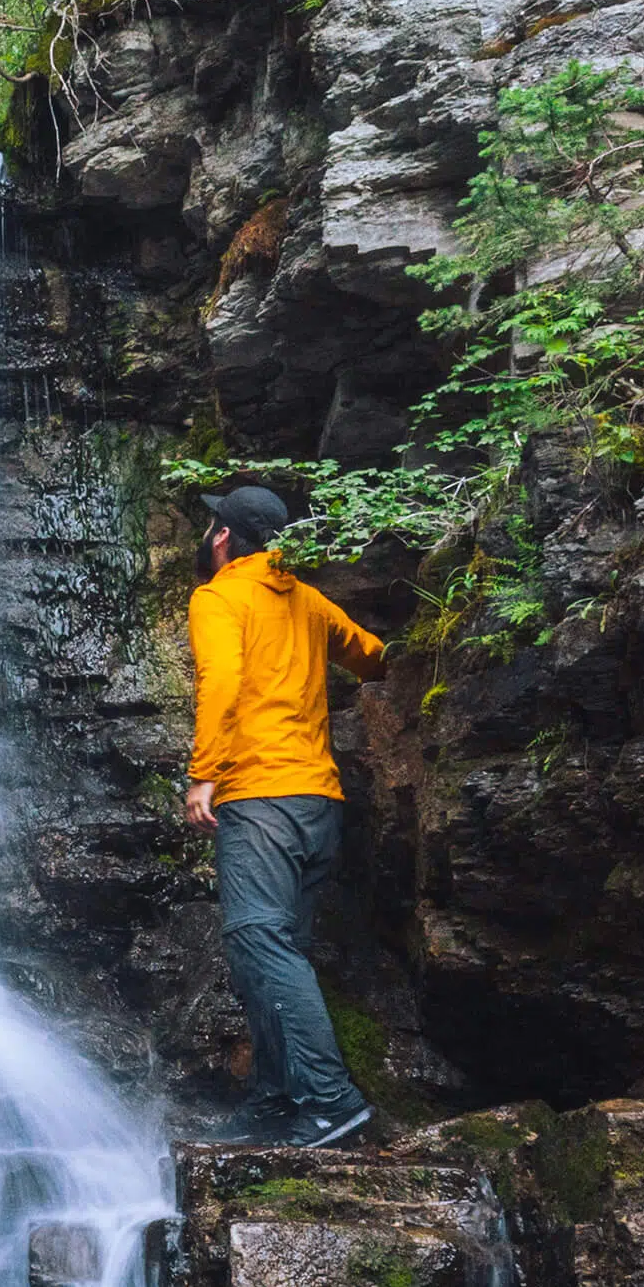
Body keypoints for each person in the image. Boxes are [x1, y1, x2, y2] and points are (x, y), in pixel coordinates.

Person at [185, 483, 387, 1148]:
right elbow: (370, 653)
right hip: (317, 802)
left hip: (260, 797)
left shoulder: (218, 597)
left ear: (222, 537)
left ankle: (331, 1100)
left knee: (257, 941)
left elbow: (222, 681)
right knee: (275, 953)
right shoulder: (306, 598)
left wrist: (204, 775)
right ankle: (276, 1099)